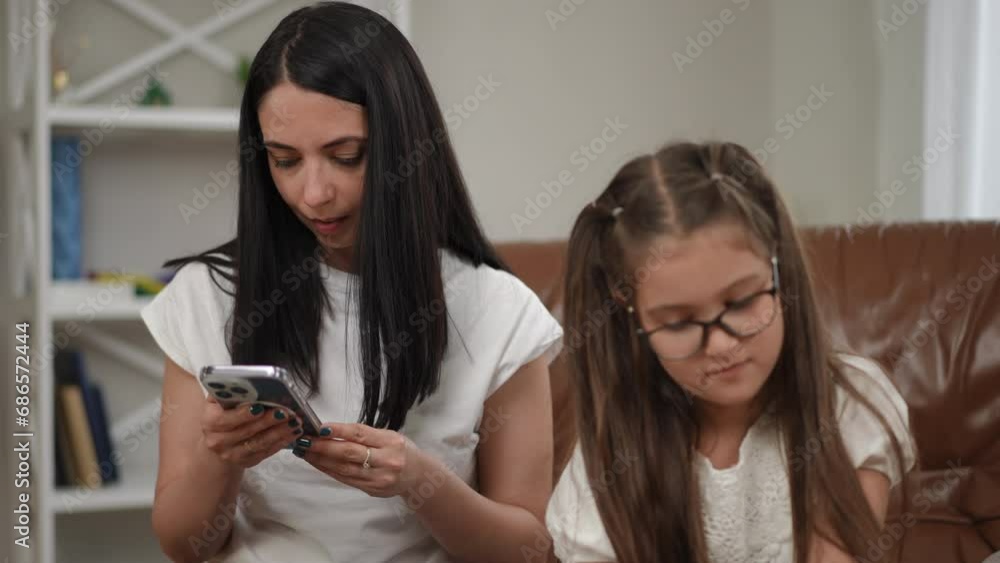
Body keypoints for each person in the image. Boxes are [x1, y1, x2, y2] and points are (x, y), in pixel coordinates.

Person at [140, 3, 562, 562]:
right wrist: (219, 458)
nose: (313, 194)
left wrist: (418, 482)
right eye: (285, 161)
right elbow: (182, 546)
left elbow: (530, 550)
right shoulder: (208, 297)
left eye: (346, 156)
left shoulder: (498, 311)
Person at [546, 141, 916, 562]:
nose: (721, 345)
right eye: (679, 323)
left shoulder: (849, 404)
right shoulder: (612, 454)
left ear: (779, 268)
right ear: (633, 319)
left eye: (741, 302)